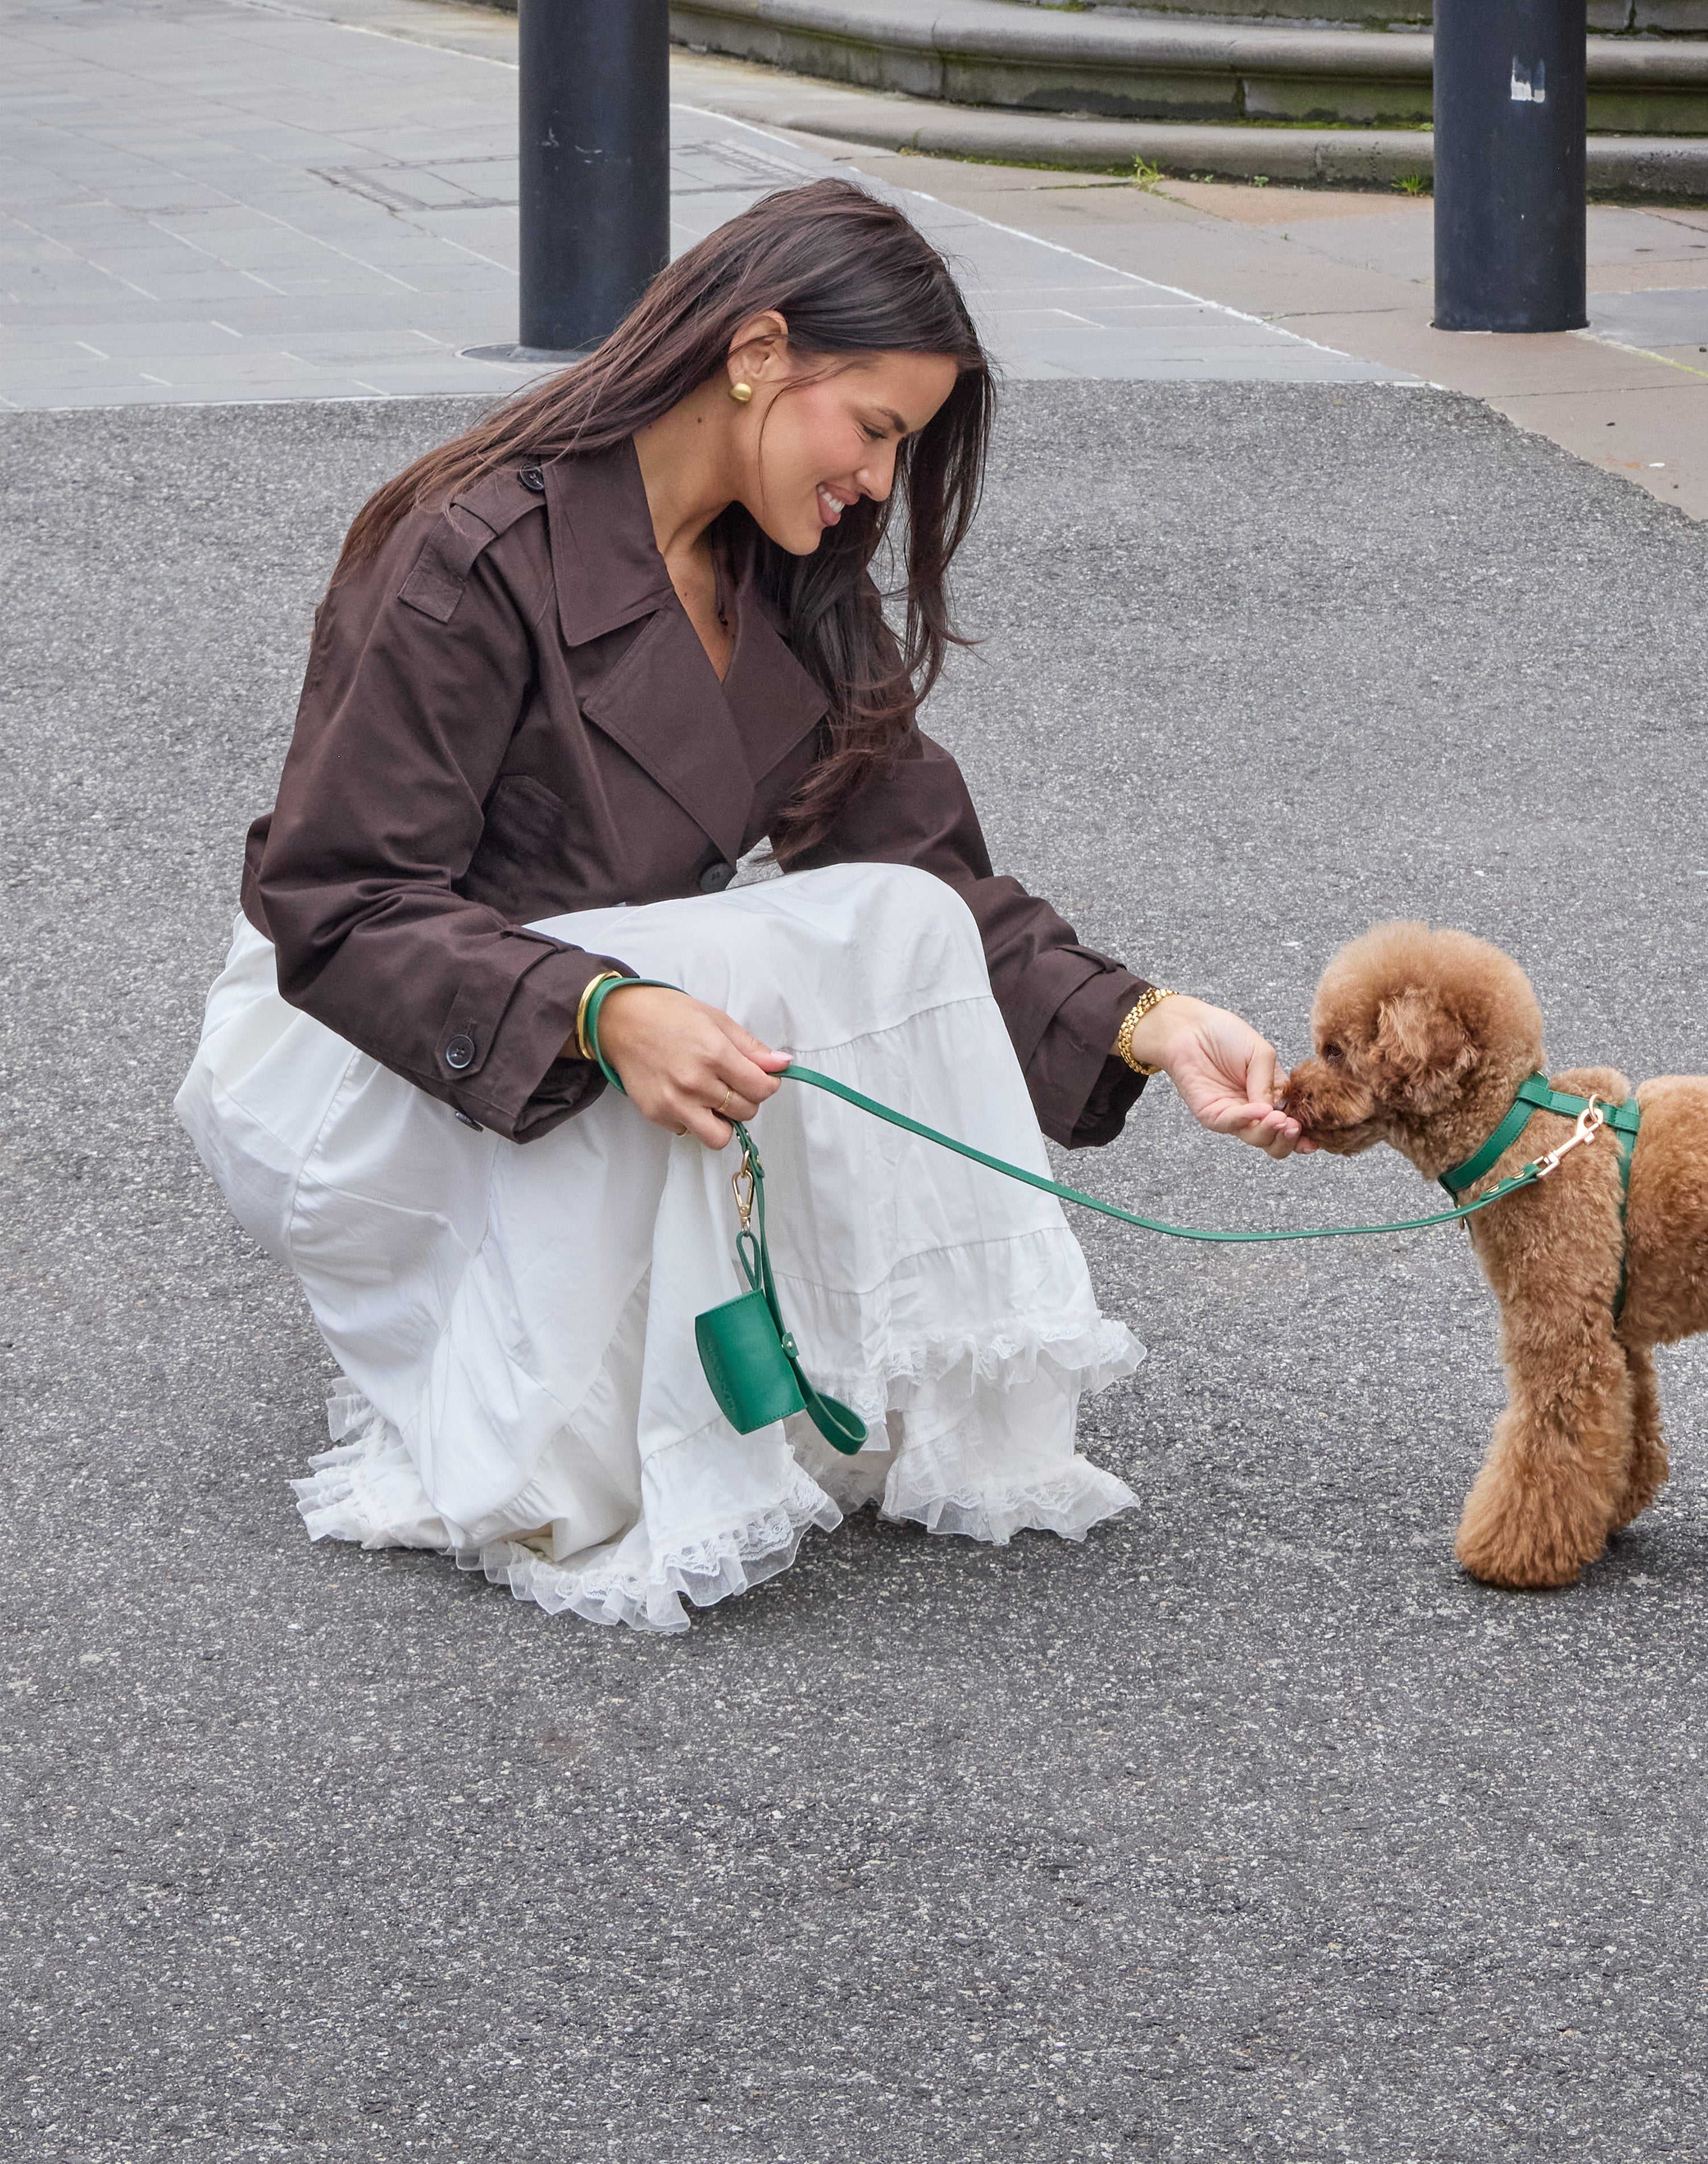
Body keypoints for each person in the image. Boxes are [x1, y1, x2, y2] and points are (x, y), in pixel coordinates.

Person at [176, 182, 1303, 1634]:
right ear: (759, 349)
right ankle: (571, 1416)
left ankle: (830, 1365)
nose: (882, 487)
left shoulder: (790, 574)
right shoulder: (464, 551)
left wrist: (1147, 1023)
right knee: (712, 959)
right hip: (382, 1044)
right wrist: (596, 1005)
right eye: (878, 430)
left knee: (881, 922)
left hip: (592, 1011)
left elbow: (932, 885)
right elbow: (336, 900)